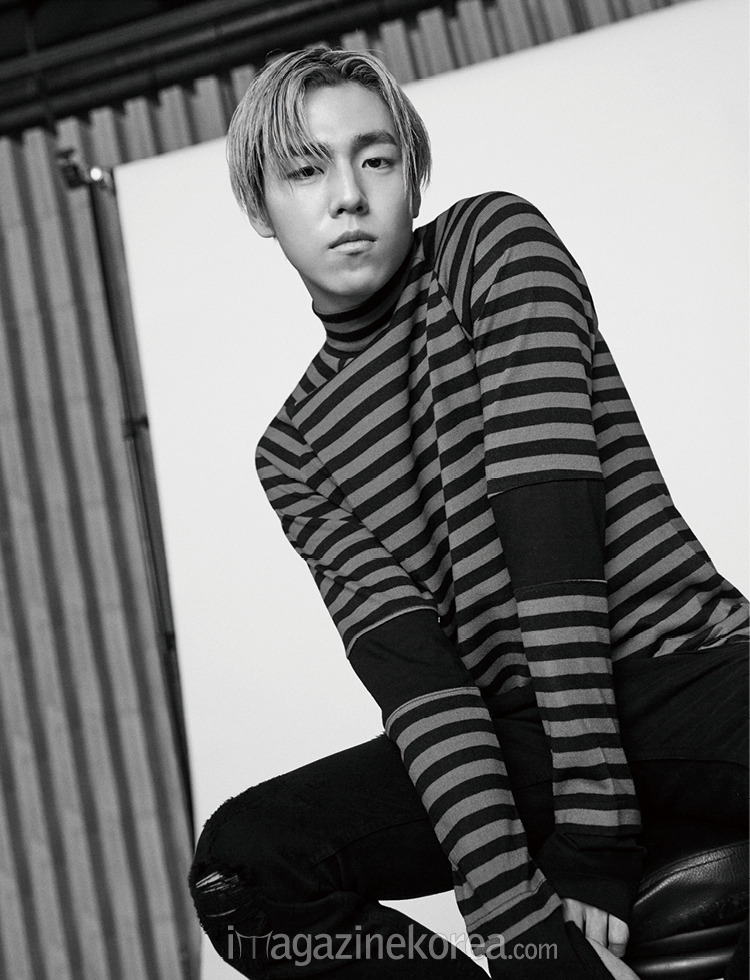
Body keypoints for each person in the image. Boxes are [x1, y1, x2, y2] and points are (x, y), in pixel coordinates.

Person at [188, 46, 748, 980]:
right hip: (514, 736)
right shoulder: (293, 451)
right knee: (244, 870)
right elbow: (425, 691)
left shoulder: (490, 246)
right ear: (260, 207)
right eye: (306, 170)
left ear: (412, 176)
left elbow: (553, 554)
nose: (348, 196)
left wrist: (596, 833)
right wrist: (516, 926)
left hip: (679, 674)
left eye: (376, 159)